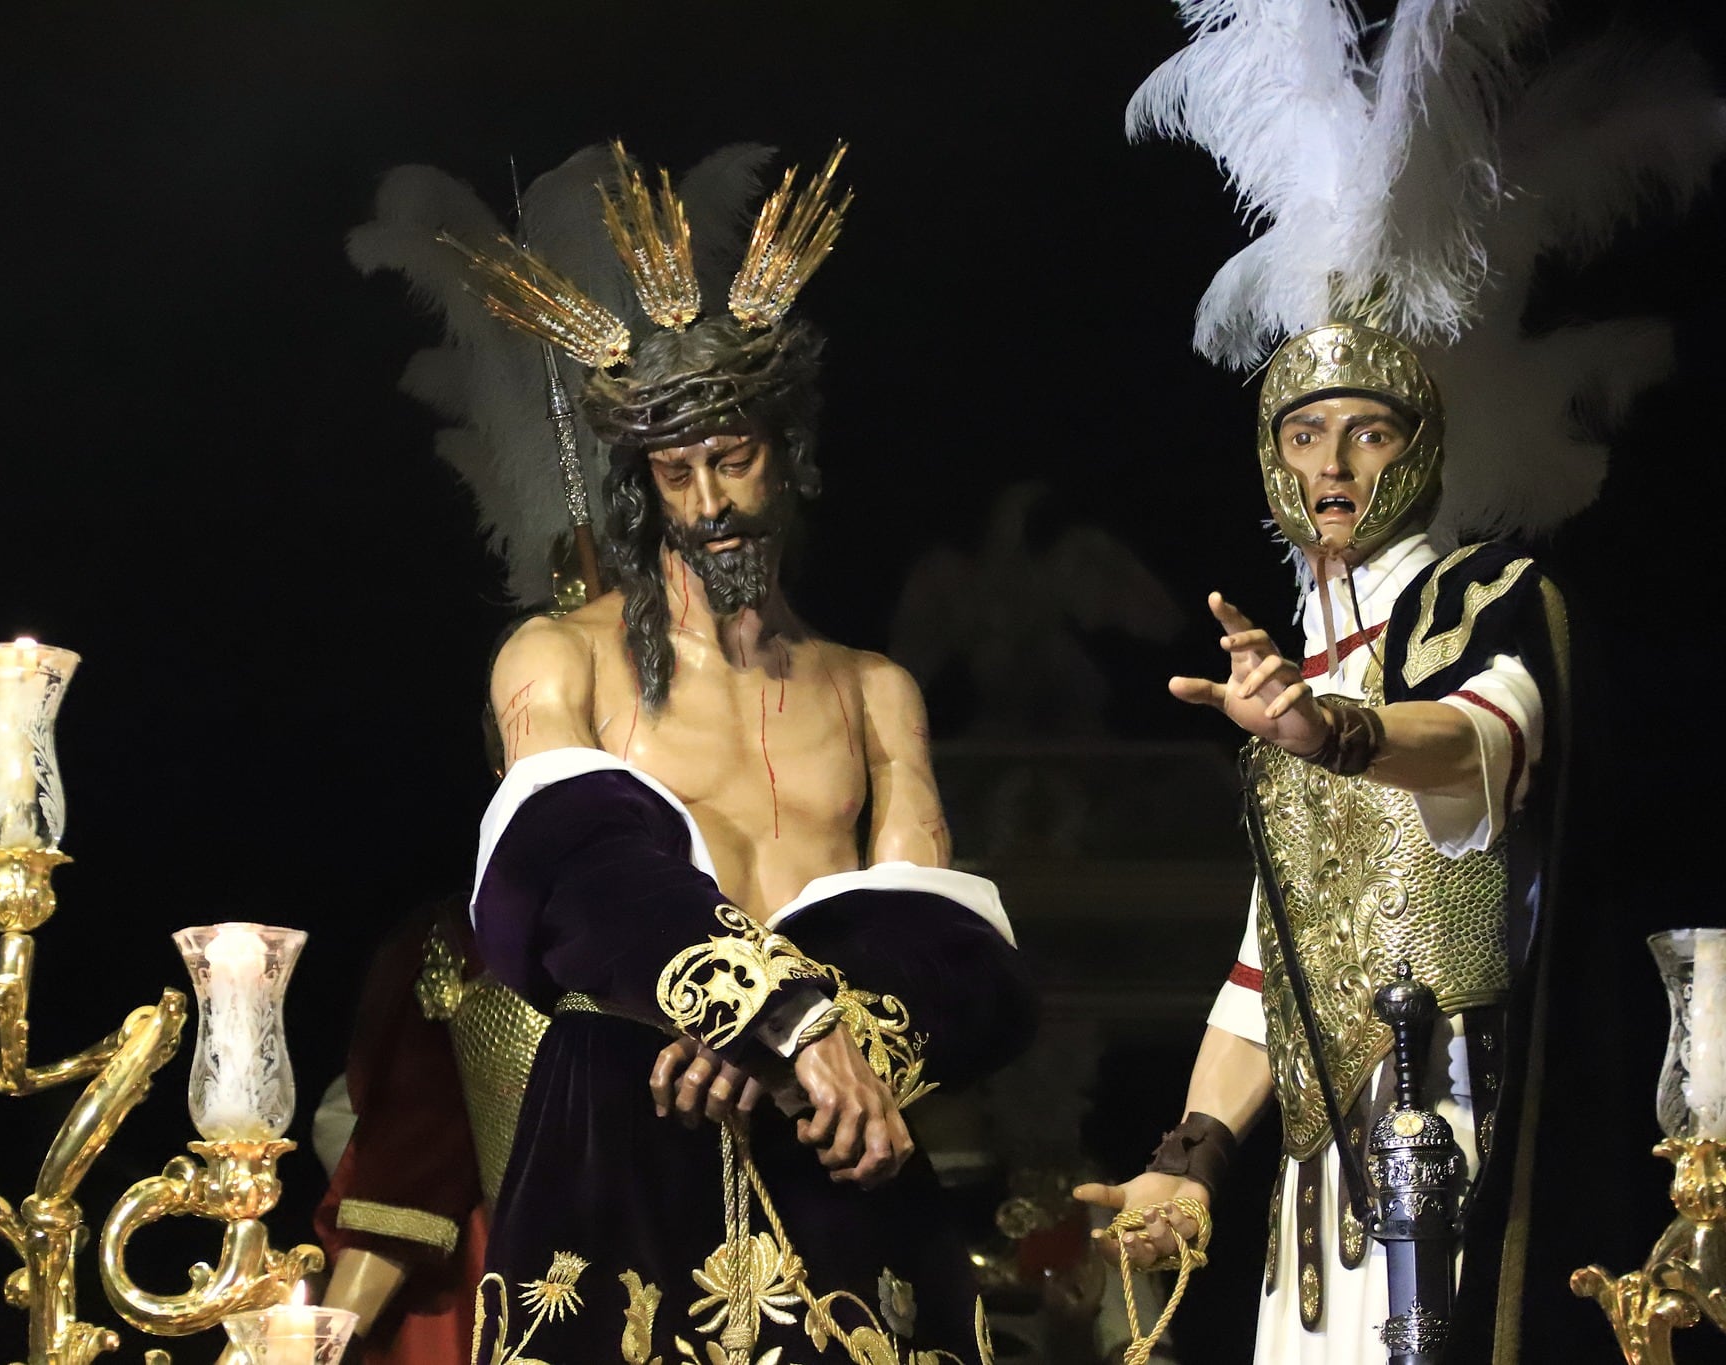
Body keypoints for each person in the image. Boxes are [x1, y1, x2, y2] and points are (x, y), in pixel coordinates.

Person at [459, 145, 1036, 1365]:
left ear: (788, 452)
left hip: (834, 1127)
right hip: (630, 1119)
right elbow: (560, 867)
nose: (710, 501)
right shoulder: (557, 659)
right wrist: (757, 1016)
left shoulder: (873, 688)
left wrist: (832, 1048)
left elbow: (939, 933)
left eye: (733, 459)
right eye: (675, 473)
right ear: (639, 486)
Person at [1072, 321, 1569, 1364]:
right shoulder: (1297, 661)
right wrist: (1192, 1153)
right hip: (1321, 1153)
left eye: (1366, 433)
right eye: (1302, 435)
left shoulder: (1478, 605)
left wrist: (1328, 731)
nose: (1330, 466)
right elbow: (1276, 959)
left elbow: (1485, 735)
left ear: (1419, 447)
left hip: (1446, 1110)